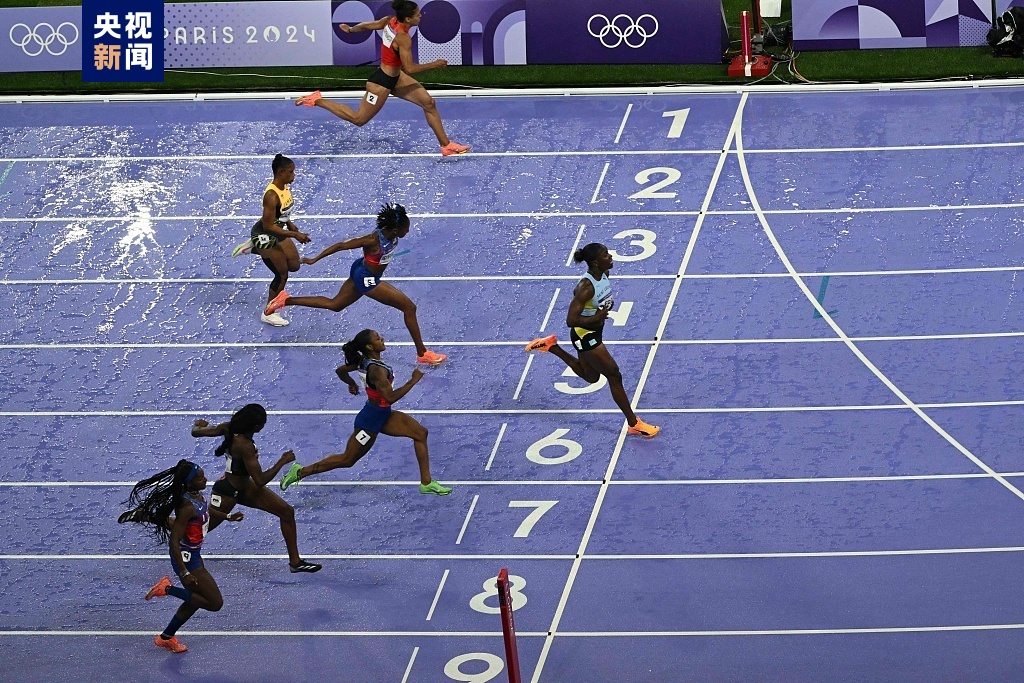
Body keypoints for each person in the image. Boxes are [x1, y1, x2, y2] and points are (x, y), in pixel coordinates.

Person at [263, 202, 447, 365]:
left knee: (335, 305)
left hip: (361, 270)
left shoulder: (391, 232)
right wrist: (315, 259)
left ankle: (285, 300)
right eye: (406, 229)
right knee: (409, 308)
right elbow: (341, 246)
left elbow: (396, 214)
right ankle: (422, 354)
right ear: (396, 230)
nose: (408, 231)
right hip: (367, 279)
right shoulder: (372, 240)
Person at [279, 329, 451, 495]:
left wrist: (351, 383)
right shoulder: (376, 371)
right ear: (369, 346)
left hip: (383, 414)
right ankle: (299, 472)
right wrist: (412, 381)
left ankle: (426, 483)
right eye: (377, 338)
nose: (382, 339)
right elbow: (390, 397)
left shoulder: (365, 361)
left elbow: (341, 371)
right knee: (347, 459)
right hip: (370, 421)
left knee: (420, 433)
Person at [294, 0, 470, 157]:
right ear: (408, 19)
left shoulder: (389, 20)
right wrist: (435, 64)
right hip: (380, 83)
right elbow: (410, 68)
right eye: (417, 14)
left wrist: (350, 30)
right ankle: (317, 100)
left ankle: (446, 146)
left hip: (396, 77)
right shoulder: (403, 37)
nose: (420, 16)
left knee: (429, 103)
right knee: (358, 119)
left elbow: (366, 26)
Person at [525, 243, 661, 438]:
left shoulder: (604, 274)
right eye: (606, 255)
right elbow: (571, 321)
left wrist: (604, 308)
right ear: (596, 262)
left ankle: (552, 347)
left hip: (595, 331)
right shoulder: (585, 288)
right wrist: (597, 317)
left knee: (591, 377)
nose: (611, 256)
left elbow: (600, 299)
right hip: (585, 335)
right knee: (614, 375)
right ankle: (634, 423)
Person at [118, 459, 243, 654]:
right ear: (189, 482)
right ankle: (166, 588)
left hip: (194, 553)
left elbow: (206, 510)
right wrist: (184, 573)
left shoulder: (196, 496)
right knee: (214, 603)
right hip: (187, 559)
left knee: (195, 599)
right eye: (200, 478)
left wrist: (227, 516)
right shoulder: (186, 507)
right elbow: (173, 542)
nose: (205, 479)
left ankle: (166, 637)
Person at [191, 403, 322, 572]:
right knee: (200, 528)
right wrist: (282, 461)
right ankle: (167, 526)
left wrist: (198, 425)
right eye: (263, 422)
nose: (264, 424)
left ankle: (295, 563)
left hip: (245, 487)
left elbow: (196, 432)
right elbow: (260, 480)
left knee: (286, 512)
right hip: (227, 492)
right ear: (255, 426)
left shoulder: (228, 428)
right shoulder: (245, 446)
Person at [232, 154, 311, 327]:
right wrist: (294, 235)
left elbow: (283, 211)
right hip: (265, 236)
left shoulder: (284, 187)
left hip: (278, 230)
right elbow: (268, 226)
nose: (294, 175)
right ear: (281, 172)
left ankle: (252, 248)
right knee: (281, 275)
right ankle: (269, 313)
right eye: (291, 172)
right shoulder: (271, 195)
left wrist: (290, 224)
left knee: (294, 265)